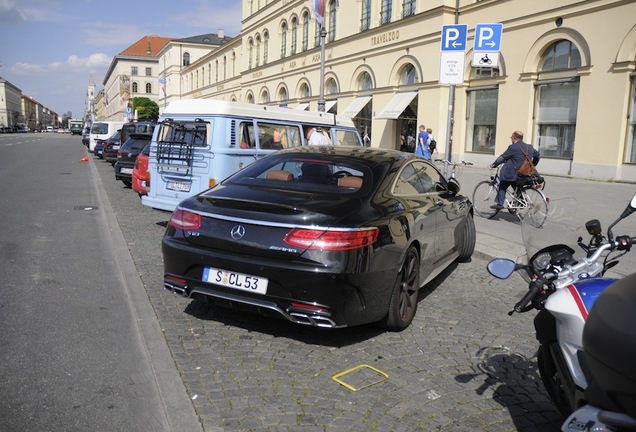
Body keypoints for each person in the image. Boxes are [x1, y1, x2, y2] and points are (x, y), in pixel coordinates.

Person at [489, 130, 540, 209]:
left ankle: (499, 204)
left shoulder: (512, 147)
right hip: (525, 174)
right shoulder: (529, 147)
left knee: (503, 184)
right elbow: (538, 156)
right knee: (516, 185)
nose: (511, 139)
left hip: (514, 173)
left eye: (511, 137)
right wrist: (533, 164)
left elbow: (502, 158)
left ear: (514, 138)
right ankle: (522, 201)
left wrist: (494, 165)